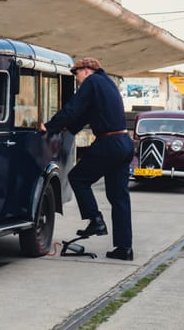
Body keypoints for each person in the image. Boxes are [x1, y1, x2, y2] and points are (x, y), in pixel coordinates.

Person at [40, 57, 135, 261]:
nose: (77, 79)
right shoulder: (107, 83)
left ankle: (95, 219)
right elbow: (86, 114)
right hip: (124, 143)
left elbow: (73, 108)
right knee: (119, 198)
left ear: (86, 70)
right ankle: (124, 248)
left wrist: (49, 127)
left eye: (76, 74)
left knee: (78, 178)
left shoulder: (92, 82)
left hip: (109, 143)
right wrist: (69, 128)